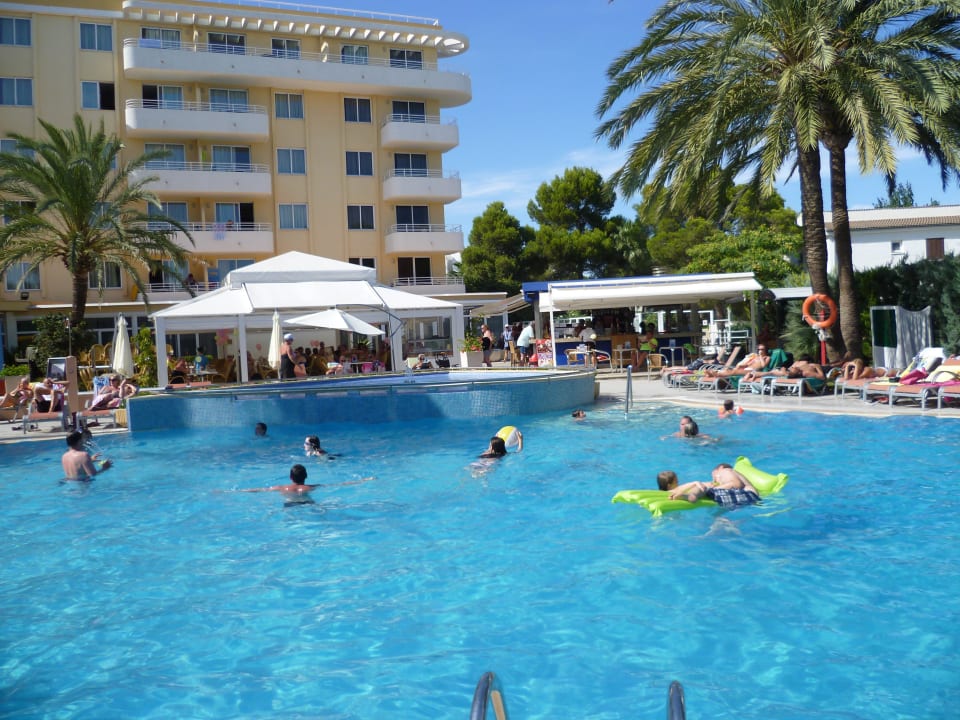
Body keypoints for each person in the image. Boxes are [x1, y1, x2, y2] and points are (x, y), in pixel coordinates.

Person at [668, 462, 760, 507]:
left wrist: (712, 488)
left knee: (705, 487)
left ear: (719, 468)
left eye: (714, 475)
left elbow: (736, 484)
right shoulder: (733, 477)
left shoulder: (726, 470)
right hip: (749, 499)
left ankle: (691, 496)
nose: (714, 479)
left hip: (746, 495)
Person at [242, 463, 319, 497]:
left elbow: (261, 489)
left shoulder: (282, 488)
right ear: (306, 476)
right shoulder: (310, 487)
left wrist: (239, 491)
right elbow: (328, 485)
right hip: (306, 503)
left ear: (290, 477)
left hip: (290, 505)